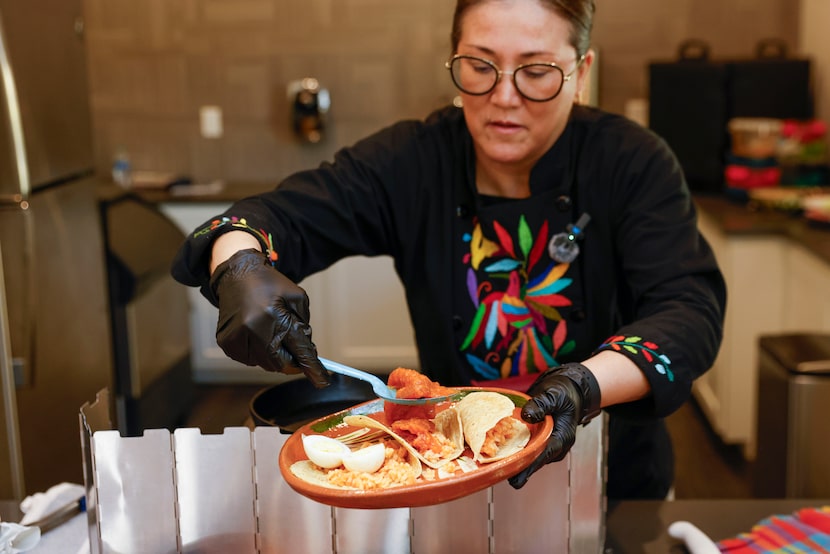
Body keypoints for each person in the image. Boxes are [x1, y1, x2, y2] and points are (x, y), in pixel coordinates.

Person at [171, 0, 726, 500]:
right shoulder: (417, 161)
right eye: (480, 67)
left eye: (536, 72)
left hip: (611, 476)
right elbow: (278, 215)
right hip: (449, 472)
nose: (503, 97)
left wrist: (583, 385)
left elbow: (687, 308)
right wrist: (240, 262)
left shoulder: (631, 162)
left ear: (580, 74)